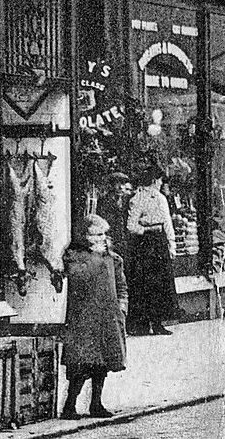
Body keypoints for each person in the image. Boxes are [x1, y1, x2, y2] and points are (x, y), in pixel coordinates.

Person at [60, 214, 126, 420]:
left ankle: (96, 403)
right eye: (96, 234)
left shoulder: (113, 259)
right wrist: (96, 258)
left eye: (104, 234)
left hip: (108, 317)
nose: (102, 238)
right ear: (85, 236)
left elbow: (122, 286)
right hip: (84, 318)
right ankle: (69, 406)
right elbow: (79, 279)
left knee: (102, 364)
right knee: (80, 364)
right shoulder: (75, 256)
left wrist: (122, 307)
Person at [124, 167, 177, 336]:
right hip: (145, 244)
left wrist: (171, 243)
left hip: (159, 243)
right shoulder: (137, 199)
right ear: (154, 180)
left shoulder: (161, 198)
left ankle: (158, 322)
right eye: (160, 180)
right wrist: (147, 231)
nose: (161, 183)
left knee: (161, 282)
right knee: (146, 283)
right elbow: (131, 226)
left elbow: (167, 223)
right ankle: (143, 324)